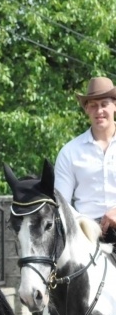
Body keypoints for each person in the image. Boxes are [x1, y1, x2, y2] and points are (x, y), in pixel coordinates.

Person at [54, 76, 116, 239]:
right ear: (86, 109)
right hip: (86, 237)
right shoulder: (69, 152)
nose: (99, 111)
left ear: (114, 106)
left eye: (104, 104)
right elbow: (61, 204)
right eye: (93, 105)